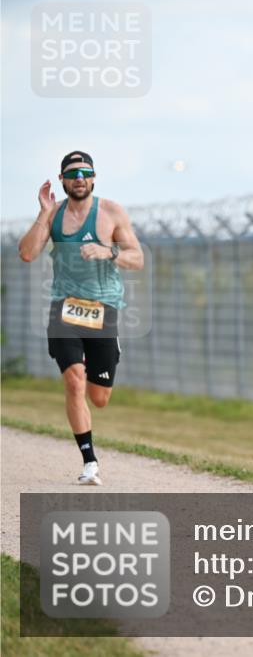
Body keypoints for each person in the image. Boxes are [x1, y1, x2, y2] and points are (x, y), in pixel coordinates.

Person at [17, 151, 144, 485]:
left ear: (94, 177)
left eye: (85, 172)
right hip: (65, 308)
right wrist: (44, 214)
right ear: (62, 180)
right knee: (74, 380)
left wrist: (109, 251)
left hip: (103, 309)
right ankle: (90, 462)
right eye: (72, 173)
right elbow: (28, 253)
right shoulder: (54, 214)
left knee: (99, 398)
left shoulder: (111, 212)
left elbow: (137, 258)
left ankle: (95, 358)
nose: (79, 178)